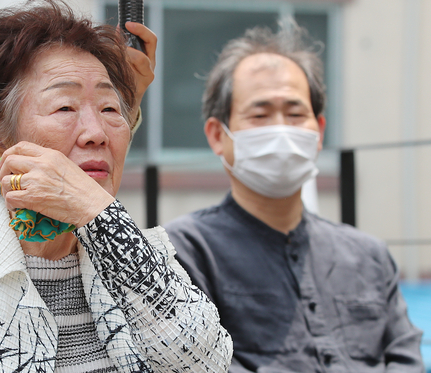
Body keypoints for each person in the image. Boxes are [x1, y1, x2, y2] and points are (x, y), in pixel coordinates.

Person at [0, 1, 233, 372]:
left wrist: (101, 216)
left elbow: (207, 363)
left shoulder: (144, 254)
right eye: (64, 108)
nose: (96, 133)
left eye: (111, 110)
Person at [164, 21, 424, 373]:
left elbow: (406, 358)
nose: (281, 129)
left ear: (318, 131)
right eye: (260, 114)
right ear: (216, 135)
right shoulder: (184, 253)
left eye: (295, 113)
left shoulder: (370, 256)